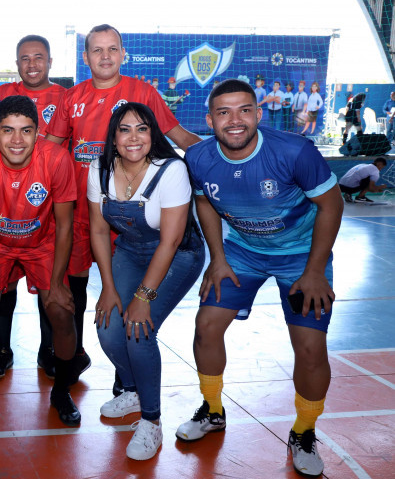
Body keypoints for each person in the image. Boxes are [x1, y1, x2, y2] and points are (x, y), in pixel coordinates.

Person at [178, 79, 343, 477]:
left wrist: (316, 270)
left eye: (244, 110)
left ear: (258, 113)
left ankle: (304, 431)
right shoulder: (199, 157)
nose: (235, 120)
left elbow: (331, 204)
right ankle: (213, 410)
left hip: (301, 256)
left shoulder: (294, 151)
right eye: (224, 112)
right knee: (206, 326)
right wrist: (218, 258)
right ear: (210, 119)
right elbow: (204, 201)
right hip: (242, 252)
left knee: (309, 348)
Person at [44, 24, 201, 389]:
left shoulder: (142, 92)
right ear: (85, 58)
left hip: (131, 219)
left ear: (123, 54)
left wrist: (227, 153)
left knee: (130, 295)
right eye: (97, 50)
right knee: (79, 290)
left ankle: (125, 378)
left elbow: (179, 137)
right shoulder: (72, 97)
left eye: (112, 48)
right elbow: (49, 148)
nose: (105, 56)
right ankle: (76, 354)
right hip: (85, 215)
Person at [88, 102, 205, 460]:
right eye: (124, 129)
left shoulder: (171, 170)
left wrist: (143, 296)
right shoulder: (100, 168)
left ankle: (151, 421)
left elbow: (169, 241)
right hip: (129, 250)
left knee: (138, 329)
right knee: (109, 327)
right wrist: (108, 288)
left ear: (153, 134)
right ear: (114, 136)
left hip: (177, 254)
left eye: (142, 128)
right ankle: (135, 390)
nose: (133, 137)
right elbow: (97, 229)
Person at [0, 95, 77, 428]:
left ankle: (61, 391)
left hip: (41, 242)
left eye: (26, 131)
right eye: (7, 131)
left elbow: (66, 224)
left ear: (38, 131)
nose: (17, 140)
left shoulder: (56, 159)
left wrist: (56, 283)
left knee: (61, 310)